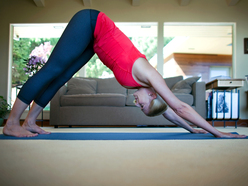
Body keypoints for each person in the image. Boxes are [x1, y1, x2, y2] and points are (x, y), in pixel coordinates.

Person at [3, 9, 246, 138]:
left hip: (93, 40)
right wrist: (218, 132)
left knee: (62, 77)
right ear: (152, 96)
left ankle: (31, 120)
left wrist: (191, 129)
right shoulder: (150, 76)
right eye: (142, 106)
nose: (136, 103)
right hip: (90, 22)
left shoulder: (146, 90)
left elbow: (170, 113)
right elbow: (179, 106)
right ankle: (12, 122)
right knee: (52, 69)